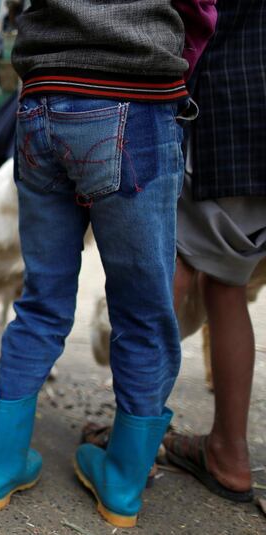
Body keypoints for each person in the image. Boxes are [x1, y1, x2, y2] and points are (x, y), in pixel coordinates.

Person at [0, 0, 215, 528]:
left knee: (40, 301)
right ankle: (121, 487)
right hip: (135, 95)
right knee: (143, 312)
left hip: (41, 100)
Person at [164, 0, 266, 504]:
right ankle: (228, 452)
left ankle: (128, 446)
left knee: (176, 259)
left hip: (236, 104)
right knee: (228, 277)